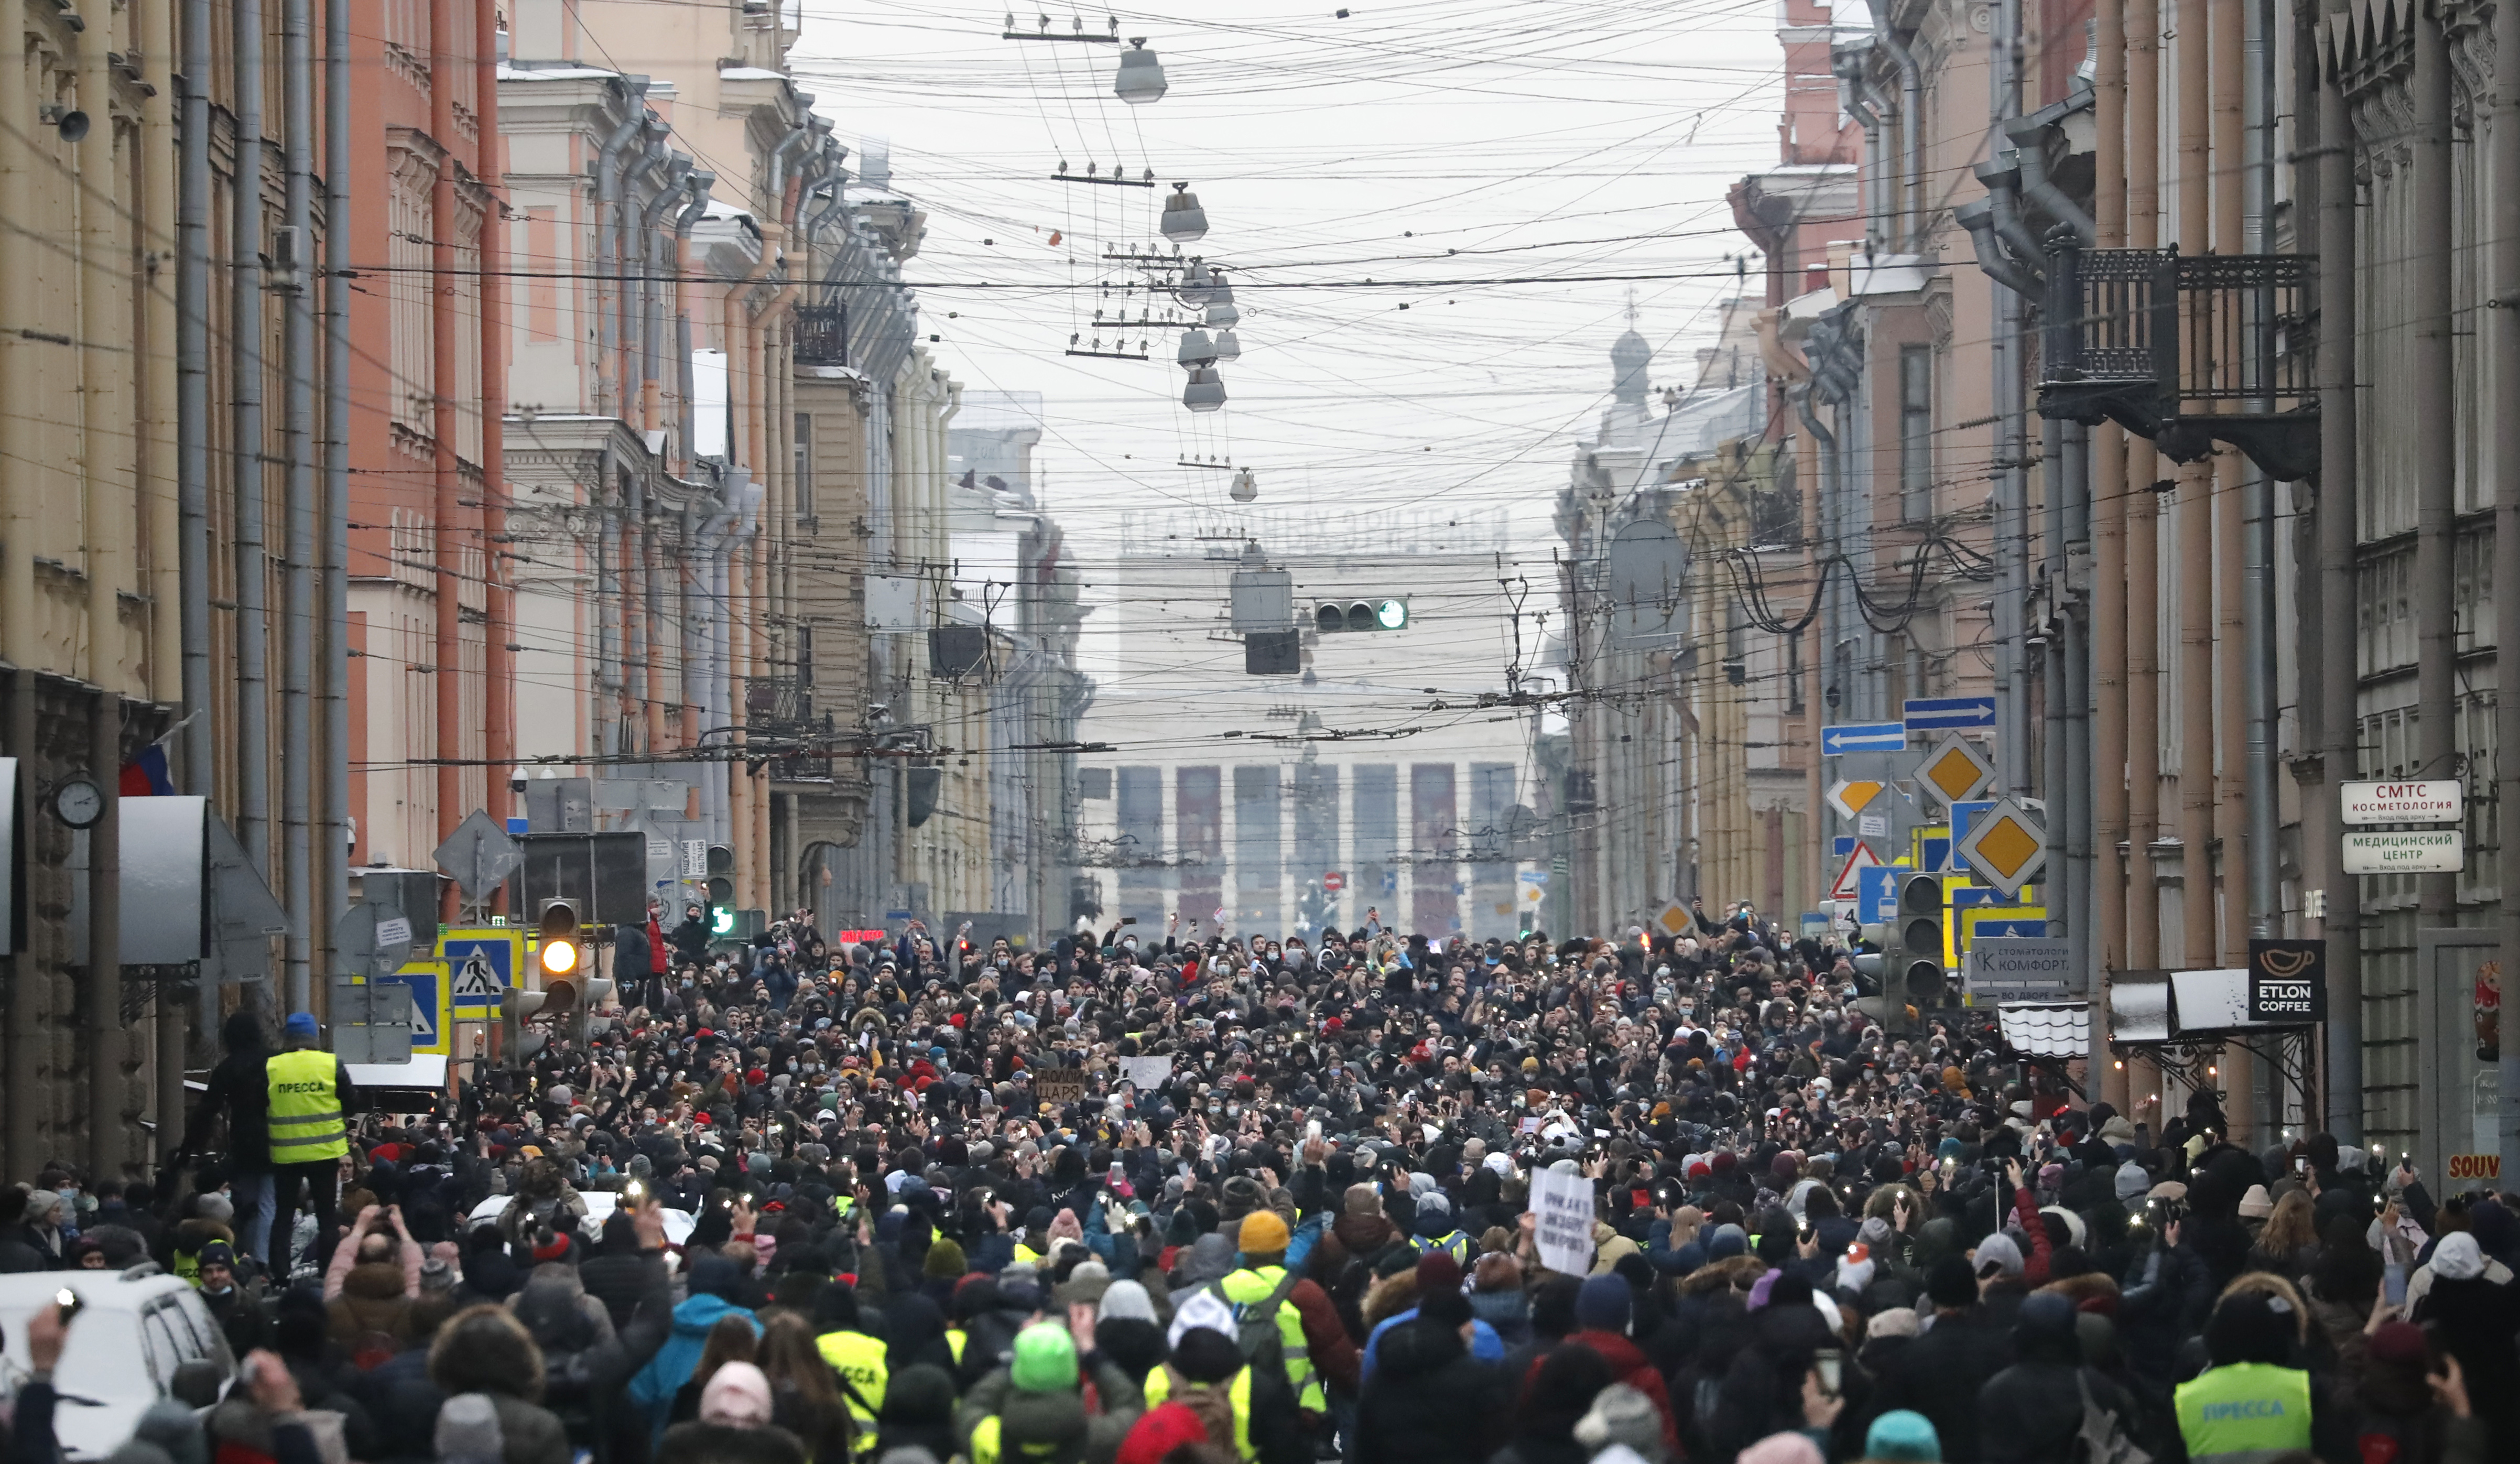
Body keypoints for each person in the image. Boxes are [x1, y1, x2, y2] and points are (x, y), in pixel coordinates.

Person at [175, 1011, 278, 1262]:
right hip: (277, 1138)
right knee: (269, 1203)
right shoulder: (276, 1062)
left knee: (251, 1204)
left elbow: (207, 1111)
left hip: (244, 1142)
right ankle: (264, 1260)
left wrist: (188, 1150)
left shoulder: (228, 1068)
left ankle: (249, 1255)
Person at [262, 1012, 354, 1277]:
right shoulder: (331, 1064)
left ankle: (279, 1276)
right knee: (327, 1217)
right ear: (315, 1036)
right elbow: (351, 1101)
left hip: (285, 1152)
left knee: (283, 1215)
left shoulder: (272, 1066)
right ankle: (328, 1272)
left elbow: (259, 1104)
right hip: (325, 1151)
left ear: (287, 1038)